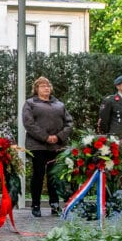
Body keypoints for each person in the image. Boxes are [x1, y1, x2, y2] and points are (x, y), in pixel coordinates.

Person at [22, 77, 73, 217]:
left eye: (48, 86)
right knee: (38, 175)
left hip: (57, 145)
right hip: (37, 146)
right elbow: (28, 123)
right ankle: (35, 205)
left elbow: (69, 123)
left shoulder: (59, 105)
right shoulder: (30, 103)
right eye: (42, 86)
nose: (46, 88)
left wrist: (58, 136)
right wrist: (45, 137)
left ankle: (55, 204)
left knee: (54, 176)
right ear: (36, 89)